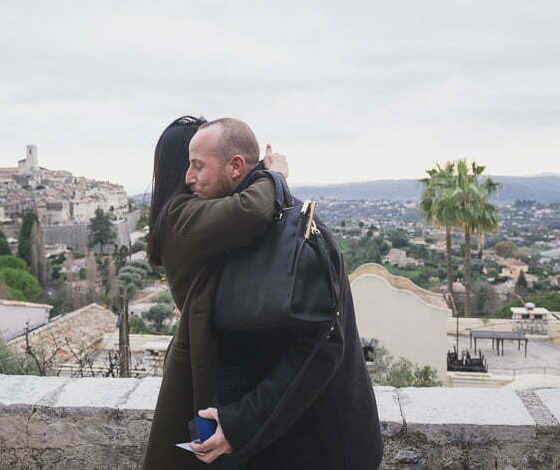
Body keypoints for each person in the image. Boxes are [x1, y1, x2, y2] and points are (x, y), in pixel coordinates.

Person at [144, 117, 382, 469]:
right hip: (268, 436)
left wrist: (241, 422)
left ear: (235, 165)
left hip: (318, 443)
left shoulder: (292, 237)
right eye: (188, 163)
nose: (188, 178)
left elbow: (320, 345)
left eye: (198, 165)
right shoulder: (208, 226)